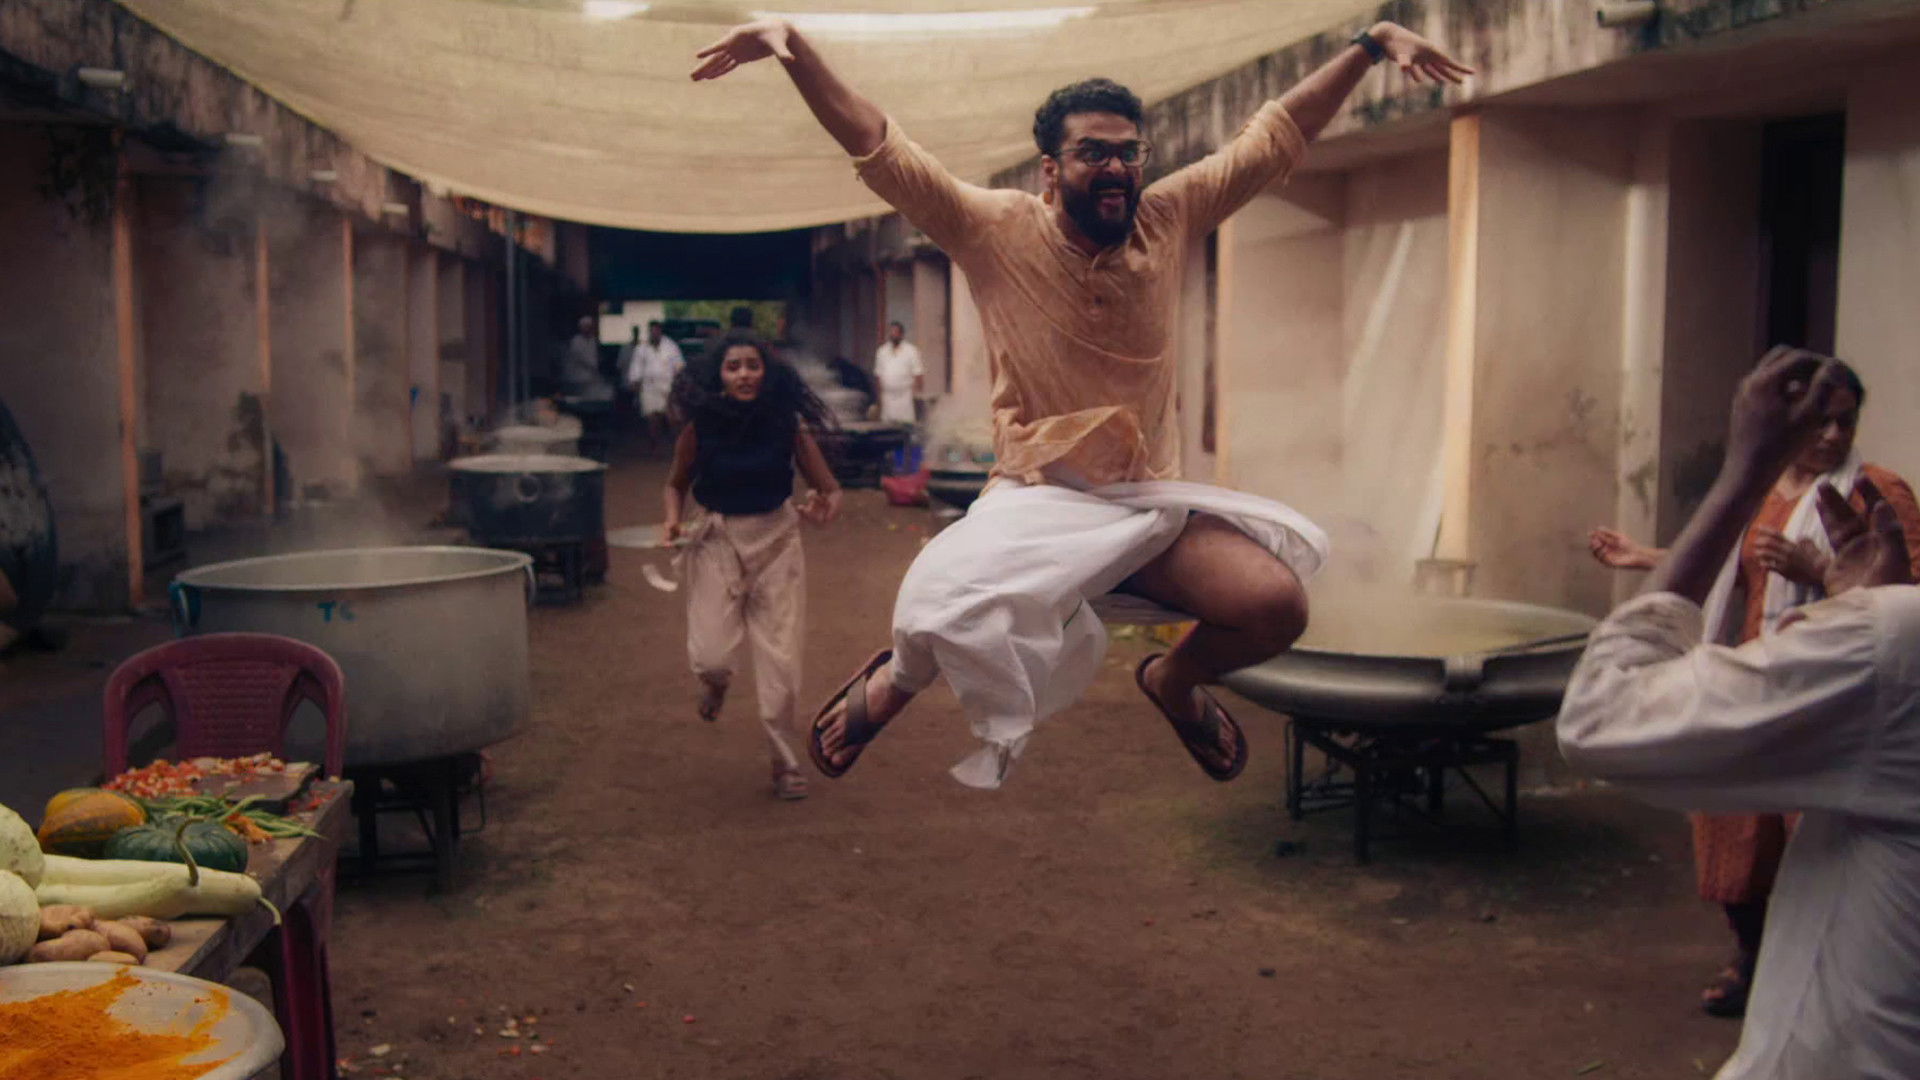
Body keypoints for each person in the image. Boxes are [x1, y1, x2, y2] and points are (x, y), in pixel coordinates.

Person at [693, 18, 1470, 787]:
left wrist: (1371, 46)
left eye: (1128, 151)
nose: (1116, 167)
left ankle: (1173, 681)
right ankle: (896, 679)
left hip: (1144, 506)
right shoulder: (993, 228)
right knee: (932, 605)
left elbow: (1272, 138)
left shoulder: (1169, 216)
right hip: (1037, 499)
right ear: (1050, 169)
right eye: (1093, 152)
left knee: (1277, 607)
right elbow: (880, 146)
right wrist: (795, 52)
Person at [1558, 346, 1920, 1080]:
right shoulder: (1882, 637)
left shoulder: (1881, 533)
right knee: (1739, 851)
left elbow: (1599, 717)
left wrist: (1741, 472)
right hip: (1788, 674)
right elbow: (1750, 569)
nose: (1830, 436)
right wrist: (1859, 608)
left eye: (1843, 422)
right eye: (1819, 422)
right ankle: (1747, 954)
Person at [662, 332, 843, 801]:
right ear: (719, 376)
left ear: (767, 373)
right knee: (712, 657)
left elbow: (829, 489)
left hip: (778, 544)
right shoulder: (701, 425)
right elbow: (675, 484)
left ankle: (785, 764)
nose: (744, 374)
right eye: (733, 367)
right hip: (717, 542)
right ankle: (715, 684)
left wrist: (823, 506)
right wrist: (672, 519)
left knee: (781, 663)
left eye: (752, 365)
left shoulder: (787, 423)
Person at [625, 320, 686, 451]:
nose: (654, 334)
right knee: (652, 419)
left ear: (660, 331)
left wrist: (679, 384)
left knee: (673, 419)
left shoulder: (671, 346)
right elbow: (636, 367)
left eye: (657, 331)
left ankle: (677, 447)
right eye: (652, 331)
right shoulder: (641, 348)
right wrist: (634, 382)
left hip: (668, 387)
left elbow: (679, 366)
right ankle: (655, 446)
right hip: (649, 388)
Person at [873, 321, 923, 425]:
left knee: (906, 424)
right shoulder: (882, 351)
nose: (893, 335)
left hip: (905, 395)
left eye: (896, 332)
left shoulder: (911, 350)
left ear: (901, 334)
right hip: (888, 395)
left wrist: (917, 393)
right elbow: (878, 374)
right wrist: (878, 395)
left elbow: (918, 373)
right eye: (891, 332)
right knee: (887, 425)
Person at [559, 315, 612, 402]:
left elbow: (595, 356)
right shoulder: (576, 341)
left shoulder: (593, 340)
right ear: (581, 328)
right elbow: (581, 358)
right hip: (578, 378)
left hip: (592, 377)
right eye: (586, 326)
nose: (588, 329)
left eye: (590, 327)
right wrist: (593, 367)